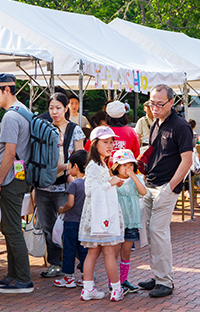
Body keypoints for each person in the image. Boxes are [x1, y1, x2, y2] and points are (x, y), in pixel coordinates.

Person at [138, 84, 193, 298]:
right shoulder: (156, 122)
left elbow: (186, 160)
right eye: (152, 103)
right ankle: (159, 275)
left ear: (171, 102)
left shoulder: (180, 126)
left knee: (158, 233)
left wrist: (170, 187)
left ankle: (165, 281)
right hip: (152, 184)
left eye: (159, 104)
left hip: (165, 187)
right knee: (153, 233)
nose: (155, 107)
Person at [0, 74, 33, 294]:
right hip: (20, 176)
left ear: (6, 89)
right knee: (11, 226)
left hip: (11, 178)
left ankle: (23, 278)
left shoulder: (10, 117)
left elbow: (9, 153)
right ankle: (14, 276)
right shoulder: (24, 111)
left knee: (12, 228)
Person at [36, 92, 84, 278]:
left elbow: (80, 159)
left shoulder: (75, 130)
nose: (54, 112)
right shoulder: (42, 128)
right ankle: (55, 263)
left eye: (58, 108)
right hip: (43, 186)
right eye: (51, 108)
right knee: (48, 227)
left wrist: (63, 167)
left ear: (66, 108)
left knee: (68, 226)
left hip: (66, 186)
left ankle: (77, 262)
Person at [78, 126, 125, 301]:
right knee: (107, 253)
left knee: (94, 252)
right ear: (95, 144)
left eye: (111, 142)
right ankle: (115, 289)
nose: (110, 145)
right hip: (101, 216)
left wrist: (112, 183)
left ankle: (89, 288)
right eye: (105, 142)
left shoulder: (100, 164)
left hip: (99, 214)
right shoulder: (94, 165)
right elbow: (90, 190)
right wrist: (110, 183)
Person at [111, 149, 148, 294]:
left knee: (126, 253)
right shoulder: (113, 180)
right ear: (116, 167)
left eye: (130, 165)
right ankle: (113, 283)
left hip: (131, 222)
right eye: (124, 165)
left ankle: (124, 280)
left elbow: (143, 192)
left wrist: (134, 176)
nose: (128, 168)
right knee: (113, 254)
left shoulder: (136, 180)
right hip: (116, 222)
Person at [54, 149, 89, 288]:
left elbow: (70, 203)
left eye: (70, 164)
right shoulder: (90, 184)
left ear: (75, 166)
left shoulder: (74, 184)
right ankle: (85, 275)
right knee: (83, 250)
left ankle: (68, 277)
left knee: (68, 249)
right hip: (84, 222)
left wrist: (62, 209)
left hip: (71, 222)